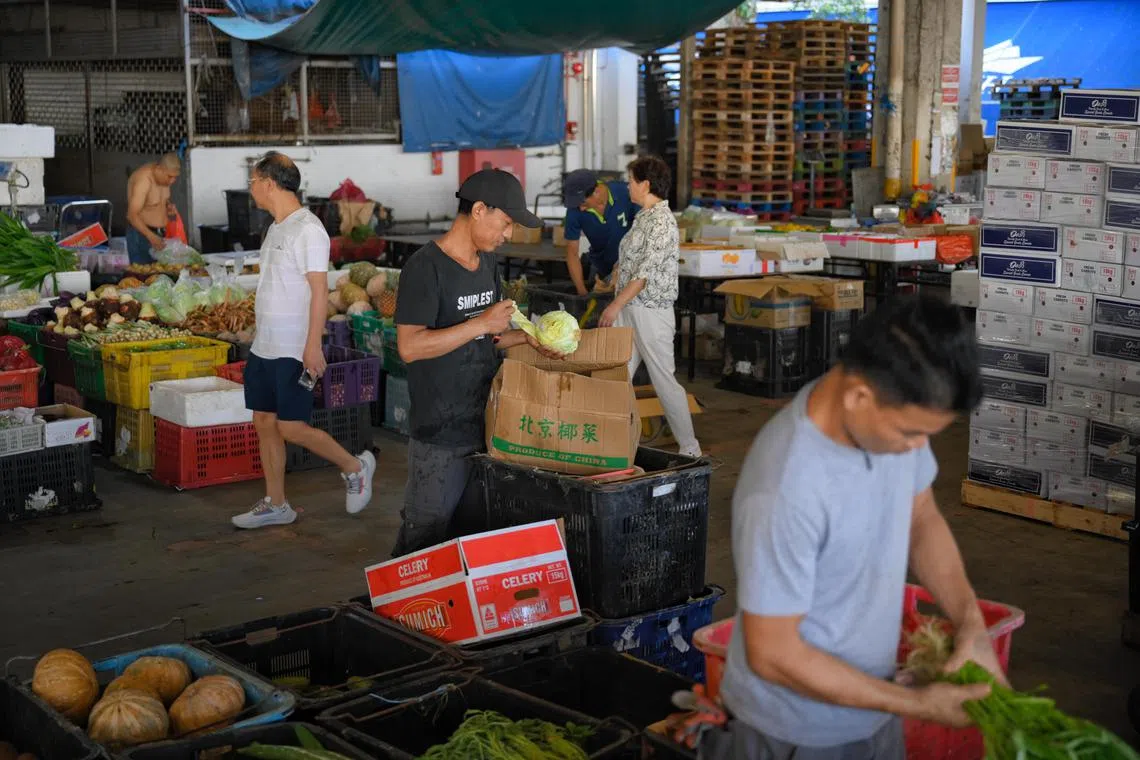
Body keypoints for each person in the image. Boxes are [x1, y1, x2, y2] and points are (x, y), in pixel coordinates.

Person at [704, 296, 1004, 760]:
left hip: (873, 708)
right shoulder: (785, 488)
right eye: (910, 434)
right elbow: (773, 653)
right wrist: (918, 703)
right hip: (795, 733)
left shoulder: (890, 419)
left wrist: (971, 625)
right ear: (859, 395)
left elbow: (921, 515)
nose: (916, 450)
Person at [393, 169, 558, 557]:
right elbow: (410, 347)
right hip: (439, 432)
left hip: (484, 425)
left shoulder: (486, 266)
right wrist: (480, 322)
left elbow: (488, 339)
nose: (509, 234)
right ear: (479, 210)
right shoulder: (425, 267)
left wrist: (532, 339)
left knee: (468, 534)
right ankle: (396, 612)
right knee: (424, 536)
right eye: (506, 223)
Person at [231, 152, 376, 529]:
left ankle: (354, 466)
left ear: (269, 184)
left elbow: (319, 290)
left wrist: (313, 345)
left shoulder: (308, 229)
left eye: (252, 181)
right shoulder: (277, 227)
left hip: (294, 348)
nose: (250, 189)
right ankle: (277, 504)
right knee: (264, 420)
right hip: (266, 346)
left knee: (291, 426)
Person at [598, 156, 700, 459]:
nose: (627, 185)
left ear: (645, 184)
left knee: (663, 380)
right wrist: (615, 273)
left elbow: (644, 275)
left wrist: (614, 305)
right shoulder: (643, 216)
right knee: (617, 377)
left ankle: (691, 449)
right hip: (631, 307)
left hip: (650, 311)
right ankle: (618, 441)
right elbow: (632, 260)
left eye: (631, 180)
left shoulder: (661, 222)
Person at [561, 169, 639, 297]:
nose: (580, 208)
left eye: (583, 202)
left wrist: (622, 265)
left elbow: (642, 232)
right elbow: (572, 253)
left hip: (632, 269)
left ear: (596, 191)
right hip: (600, 270)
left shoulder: (626, 193)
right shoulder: (574, 211)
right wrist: (582, 293)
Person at [126, 153, 181, 265]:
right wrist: (150, 236)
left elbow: (158, 201)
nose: (172, 181)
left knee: (162, 277)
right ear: (159, 169)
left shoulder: (163, 179)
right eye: (170, 176)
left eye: (175, 177)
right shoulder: (143, 180)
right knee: (143, 277)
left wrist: (168, 208)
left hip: (159, 235)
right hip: (141, 236)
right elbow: (131, 215)